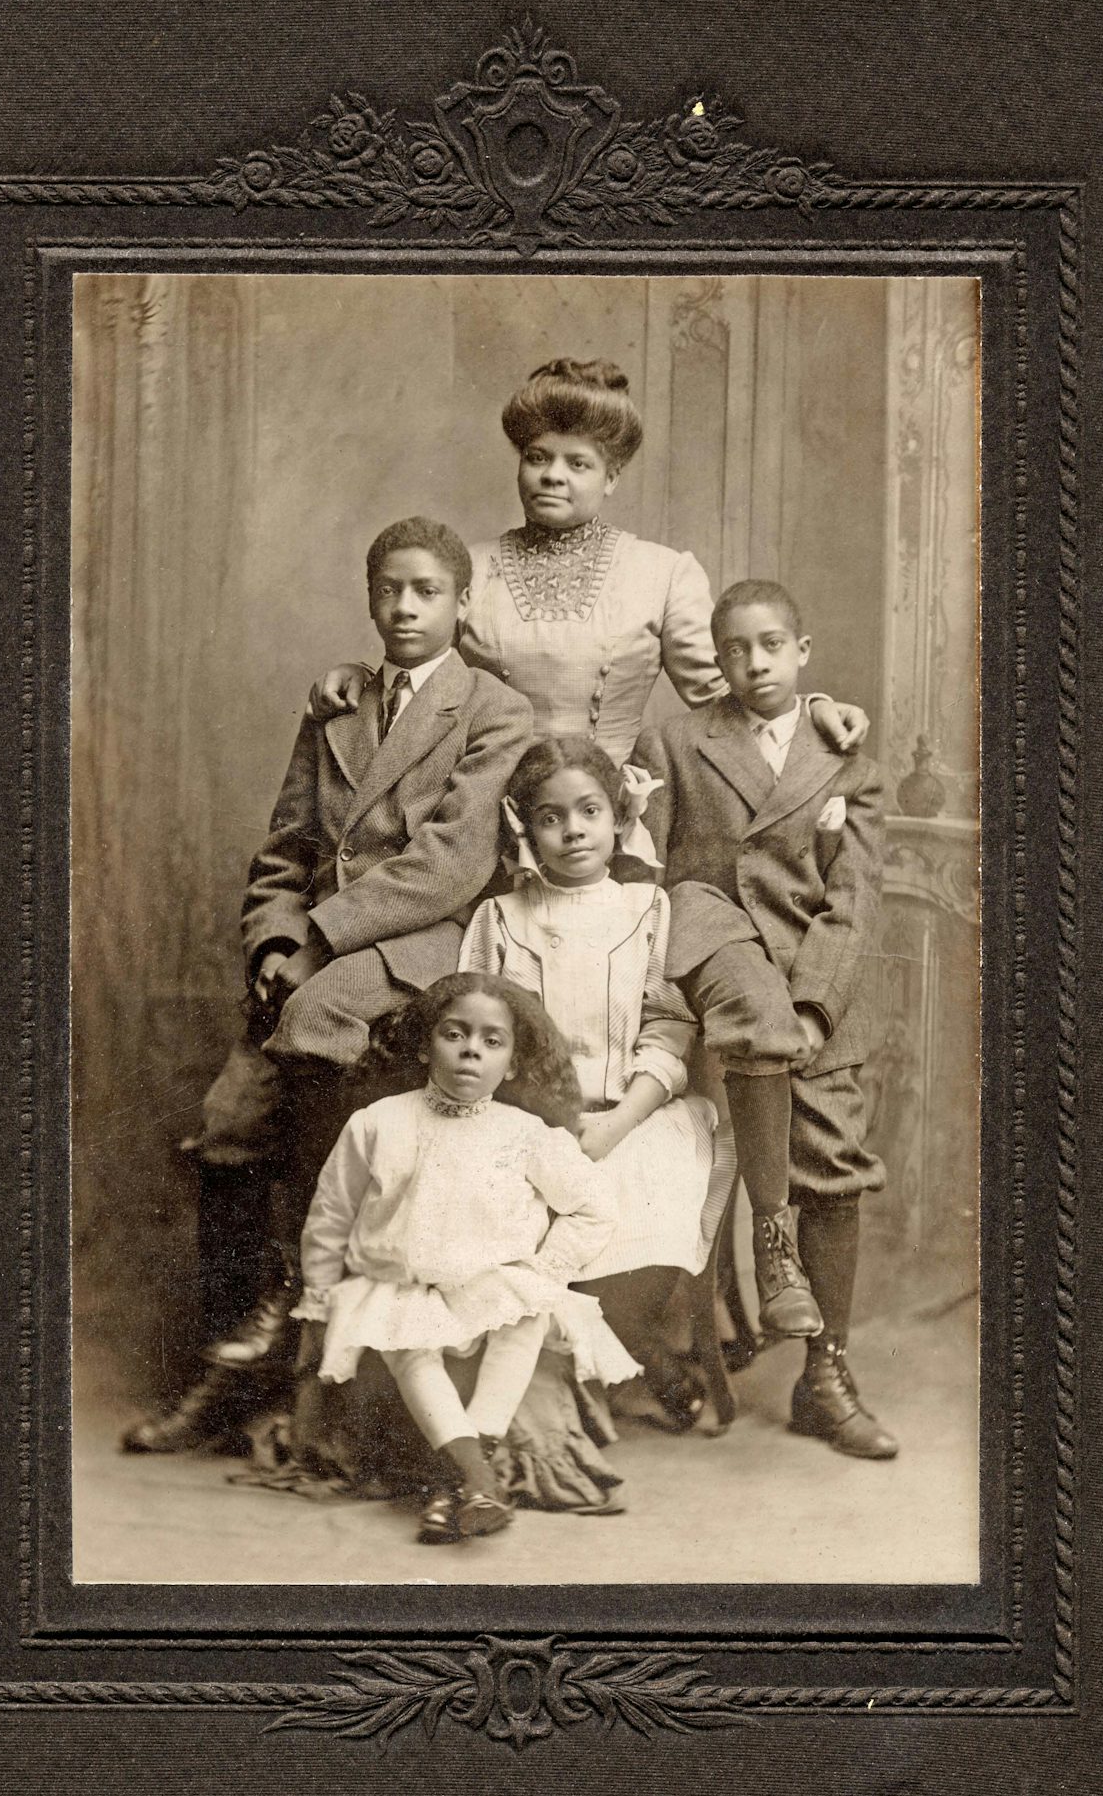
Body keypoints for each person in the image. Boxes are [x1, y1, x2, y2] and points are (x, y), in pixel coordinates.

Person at [123, 517, 534, 1454]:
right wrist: (274, 936)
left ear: (462, 604)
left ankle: (296, 1287)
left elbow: (449, 863)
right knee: (228, 1118)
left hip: (419, 939)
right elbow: (288, 846)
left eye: (427, 590)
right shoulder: (338, 706)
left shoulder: (492, 710)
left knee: (314, 1015)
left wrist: (318, 937)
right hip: (316, 947)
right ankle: (229, 1358)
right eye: (388, 589)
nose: (404, 607)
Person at [634, 580, 898, 1460]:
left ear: (803, 651)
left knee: (835, 1161)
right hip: (713, 966)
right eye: (735, 649)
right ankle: (687, 1331)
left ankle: (826, 1369)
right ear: (715, 660)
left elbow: (852, 901)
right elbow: (651, 867)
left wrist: (818, 1004)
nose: (755, 663)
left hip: (812, 980)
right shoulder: (675, 738)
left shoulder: (846, 755)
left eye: (772, 646)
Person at [310, 357, 870, 769]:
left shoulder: (662, 573)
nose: (553, 475)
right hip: (476, 807)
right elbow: (419, 675)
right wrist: (362, 676)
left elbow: (726, 697)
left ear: (612, 477)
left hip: (608, 816)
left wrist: (810, 708)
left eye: (578, 463)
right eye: (537, 458)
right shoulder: (467, 569)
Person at [292, 973, 639, 1544]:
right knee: (408, 1345)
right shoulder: (377, 1123)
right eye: (455, 1034)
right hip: (402, 1286)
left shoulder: (526, 1134)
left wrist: (545, 1272)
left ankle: (455, 1484)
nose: (472, 1049)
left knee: (527, 1316)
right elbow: (331, 1216)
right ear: (426, 1045)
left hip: (490, 1286)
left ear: (512, 1063)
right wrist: (321, 1297)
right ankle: (477, 1479)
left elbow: (593, 1208)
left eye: (492, 1041)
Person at [458, 735, 734, 1428]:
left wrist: (612, 1123)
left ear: (618, 818)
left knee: (643, 1190)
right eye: (551, 816)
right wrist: (542, 1120)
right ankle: (606, 1366)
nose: (572, 830)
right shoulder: (500, 918)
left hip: (633, 1111)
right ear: (526, 827)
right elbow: (480, 1028)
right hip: (529, 1117)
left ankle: (626, 1343)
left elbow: (669, 1030)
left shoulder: (648, 911)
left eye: (588, 811)